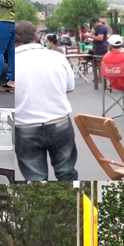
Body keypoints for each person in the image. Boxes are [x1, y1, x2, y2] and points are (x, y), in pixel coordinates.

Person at [14, 20, 78, 181]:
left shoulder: (12, 62)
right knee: (67, 173)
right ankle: (72, 204)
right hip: (59, 121)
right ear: (37, 37)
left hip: (25, 126)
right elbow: (69, 88)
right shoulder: (57, 57)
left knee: (35, 178)